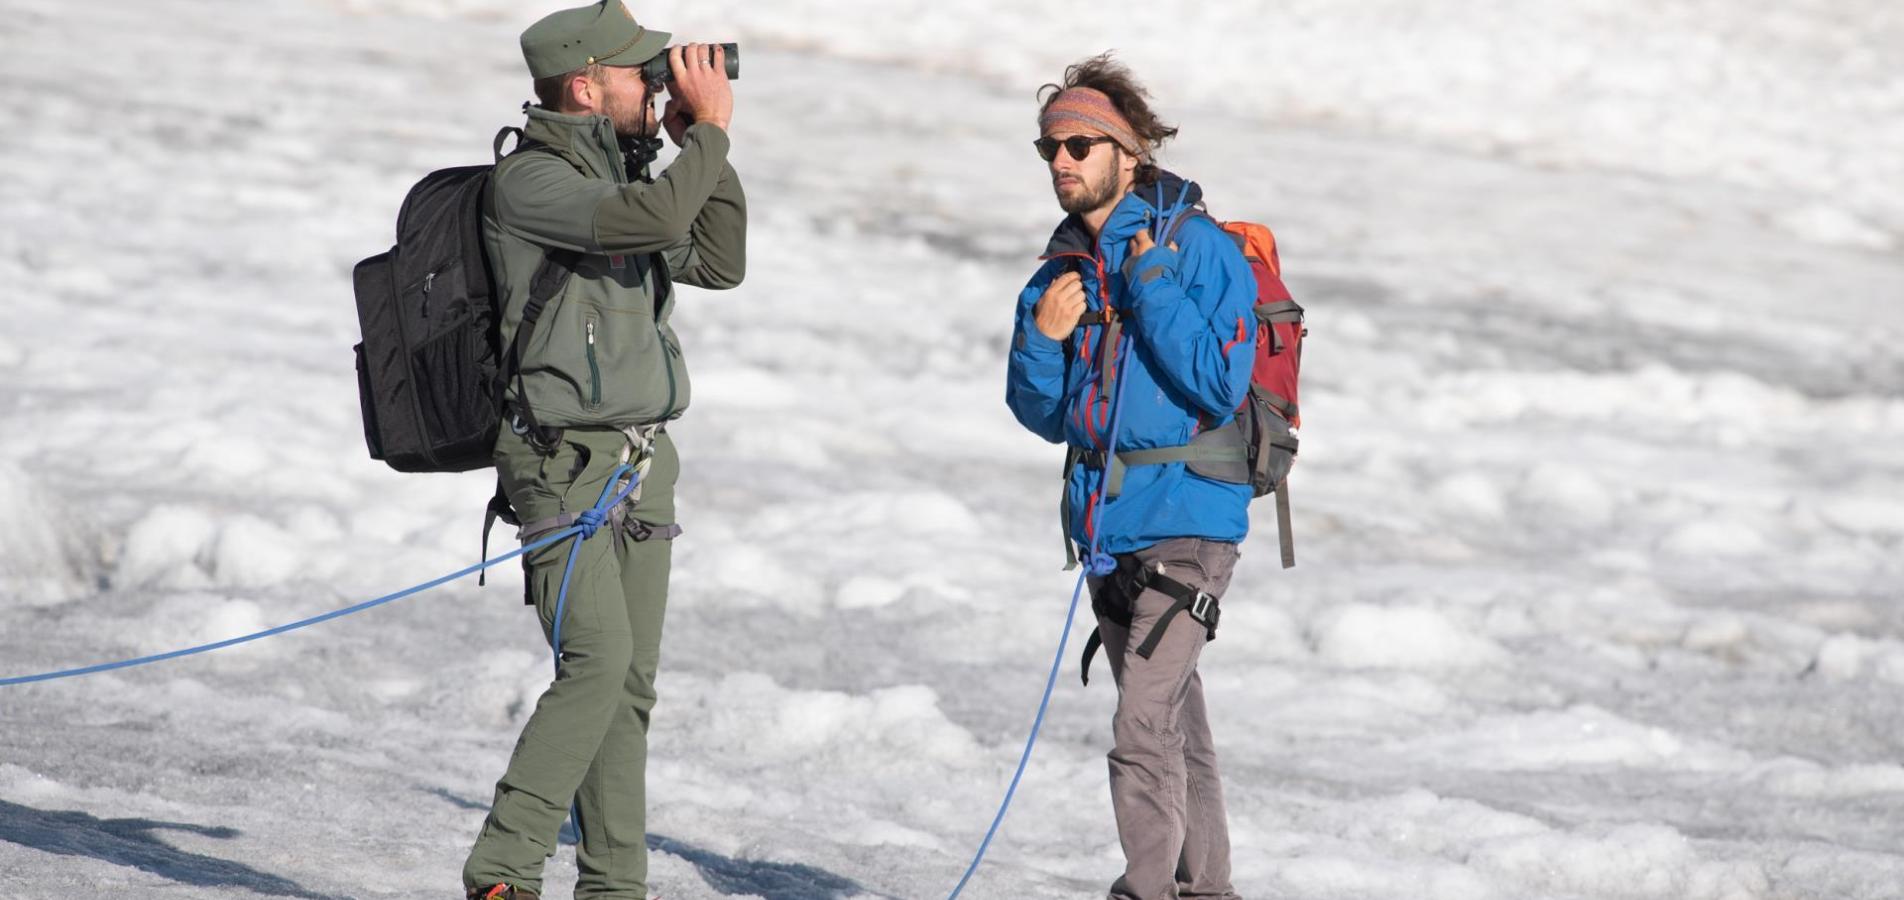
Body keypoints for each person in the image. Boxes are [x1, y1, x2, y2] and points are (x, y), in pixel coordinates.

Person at [461, 3, 745, 898]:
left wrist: (704, 140)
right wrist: (709, 140)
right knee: (594, 664)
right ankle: (502, 872)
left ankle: (614, 887)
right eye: (640, 76)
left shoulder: (632, 181)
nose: (656, 86)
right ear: (585, 87)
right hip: (559, 465)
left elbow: (721, 261)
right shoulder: (534, 185)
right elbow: (641, 220)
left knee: (628, 688)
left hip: (641, 464)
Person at [1005, 53, 1256, 900]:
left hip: (1189, 520)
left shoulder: (1201, 250)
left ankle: (1146, 891)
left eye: (1080, 144)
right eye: (1050, 149)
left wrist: (1148, 283)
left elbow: (1217, 385)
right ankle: (1208, 889)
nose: (1062, 162)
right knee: (1176, 726)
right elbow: (1043, 415)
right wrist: (1043, 338)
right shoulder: (1060, 268)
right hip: (1106, 531)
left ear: (1129, 153)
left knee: (1141, 724)